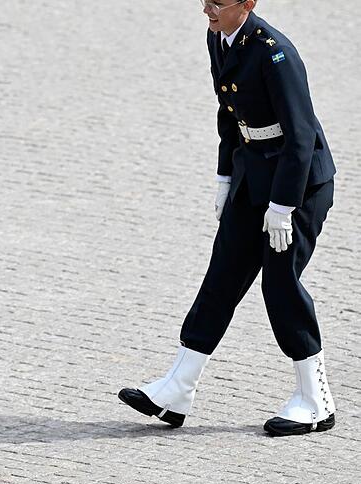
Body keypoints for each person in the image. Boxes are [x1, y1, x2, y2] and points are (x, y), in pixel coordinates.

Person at [118, 0, 337, 437]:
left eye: (217, 3)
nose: (207, 10)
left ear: (248, 4)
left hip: (298, 184)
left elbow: (300, 137)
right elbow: (229, 113)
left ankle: (316, 401)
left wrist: (282, 207)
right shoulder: (219, 37)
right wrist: (224, 177)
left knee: (280, 282)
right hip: (251, 173)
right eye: (204, 1)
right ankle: (177, 389)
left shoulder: (276, 53)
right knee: (221, 277)